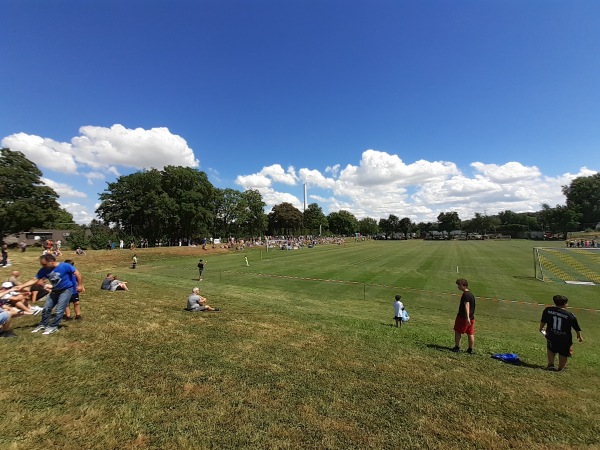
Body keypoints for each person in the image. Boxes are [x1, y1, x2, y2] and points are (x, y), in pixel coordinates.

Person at [15, 253, 85, 335]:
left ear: (51, 261)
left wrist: (80, 285)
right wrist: (21, 286)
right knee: (46, 308)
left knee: (59, 310)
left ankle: (53, 326)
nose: (43, 266)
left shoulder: (65, 266)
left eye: (44, 264)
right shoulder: (44, 269)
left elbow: (77, 273)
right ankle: (43, 324)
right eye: (42, 264)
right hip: (55, 290)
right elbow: (34, 280)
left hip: (66, 290)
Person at [540, 295, 583, 371]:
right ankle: (560, 368)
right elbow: (576, 327)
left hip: (551, 334)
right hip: (564, 337)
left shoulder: (548, 310)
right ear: (565, 303)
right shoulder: (569, 315)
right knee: (563, 353)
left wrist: (541, 328)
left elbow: (543, 320)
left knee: (550, 349)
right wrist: (579, 336)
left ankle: (550, 364)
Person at [452, 278, 475, 354]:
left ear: (464, 285)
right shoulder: (471, 294)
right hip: (471, 318)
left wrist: (467, 317)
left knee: (457, 331)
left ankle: (457, 347)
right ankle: (470, 349)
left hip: (463, 318)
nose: (458, 286)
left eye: (459, 285)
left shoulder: (465, 295)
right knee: (470, 333)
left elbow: (467, 305)